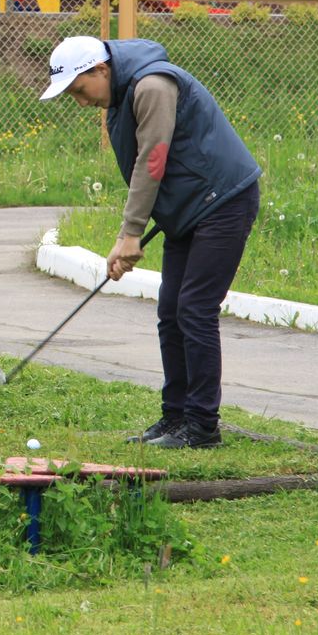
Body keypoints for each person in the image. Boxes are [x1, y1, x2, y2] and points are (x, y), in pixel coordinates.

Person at [40, 35, 262, 449]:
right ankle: (175, 417)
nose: (81, 102)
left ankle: (201, 426)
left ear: (100, 70)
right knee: (170, 311)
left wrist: (130, 234)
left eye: (79, 90)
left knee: (194, 309)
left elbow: (152, 160)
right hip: (189, 208)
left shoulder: (152, 87)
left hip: (223, 202)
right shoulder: (121, 97)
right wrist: (133, 234)